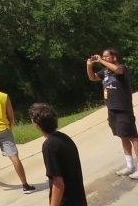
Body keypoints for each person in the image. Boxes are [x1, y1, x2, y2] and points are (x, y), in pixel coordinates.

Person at [86, 48, 138, 178]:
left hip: (123, 108)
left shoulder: (121, 68)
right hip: (112, 109)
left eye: (106, 56)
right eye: (103, 56)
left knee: (133, 137)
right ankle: (130, 166)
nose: (103, 58)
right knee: (122, 136)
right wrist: (89, 66)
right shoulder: (105, 72)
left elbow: (118, 70)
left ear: (114, 57)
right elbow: (92, 78)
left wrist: (101, 60)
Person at [30, 103, 87, 206]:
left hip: (66, 202)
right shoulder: (64, 138)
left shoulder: (49, 146)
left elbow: (58, 183)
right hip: (78, 199)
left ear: (36, 124)